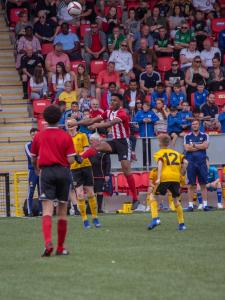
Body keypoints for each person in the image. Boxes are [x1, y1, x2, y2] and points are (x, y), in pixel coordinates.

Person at [68, 93, 139, 209]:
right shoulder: (109, 111)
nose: (112, 102)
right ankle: (81, 157)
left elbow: (110, 123)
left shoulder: (122, 113)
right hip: (115, 141)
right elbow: (91, 119)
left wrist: (97, 124)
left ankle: (135, 199)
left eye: (115, 100)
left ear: (120, 102)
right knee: (97, 146)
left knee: (126, 171)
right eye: (111, 100)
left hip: (124, 143)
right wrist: (76, 123)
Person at [31, 104, 77, 256]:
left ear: (44, 118)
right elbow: (71, 160)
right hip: (63, 172)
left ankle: (48, 242)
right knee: (62, 210)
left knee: (47, 210)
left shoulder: (38, 136)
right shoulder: (66, 136)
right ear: (60, 118)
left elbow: (34, 157)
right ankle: (60, 247)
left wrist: (37, 169)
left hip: (47, 172)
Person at [147, 134, 188, 231]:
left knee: (153, 197)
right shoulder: (176, 153)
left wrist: (159, 177)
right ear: (169, 143)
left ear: (159, 143)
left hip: (165, 177)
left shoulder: (159, 153)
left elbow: (160, 162)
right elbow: (186, 162)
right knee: (176, 201)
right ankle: (182, 224)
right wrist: (181, 173)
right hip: (176, 178)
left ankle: (155, 219)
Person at [68, 125, 101, 229]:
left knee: (91, 193)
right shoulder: (66, 139)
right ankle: (85, 220)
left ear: (76, 126)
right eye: (68, 125)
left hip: (86, 166)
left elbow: (87, 149)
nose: (70, 126)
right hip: (74, 169)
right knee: (80, 194)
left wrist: (79, 156)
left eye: (71, 124)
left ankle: (95, 217)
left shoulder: (82, 135)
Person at [184, 119, 209, 211]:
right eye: (193, 124)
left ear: (199, 125)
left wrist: (194, 146)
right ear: (191, 126)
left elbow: (205, 146)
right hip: (191, 163)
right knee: (190, 185)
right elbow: (187, 148)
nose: (194, 125)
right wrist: (199, 146)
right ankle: (190, 206)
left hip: (202, 163)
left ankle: (205, 205)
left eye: (196, 124)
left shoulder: (204, 135)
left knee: (203, 184)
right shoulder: (187, 136)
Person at [89, 133, 111, 213]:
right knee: (91, 192)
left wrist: (107, 174)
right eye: (90, 140)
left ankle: (99, 209)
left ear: (97, 141)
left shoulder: (104, 150)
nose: (91, 142)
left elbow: (108, 163)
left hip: (100, 174)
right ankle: (90, 208)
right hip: (90, 174)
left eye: (92, 140)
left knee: (100, 191)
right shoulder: (89, 150)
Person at [25, 128, 40, 216]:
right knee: (31, 191)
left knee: (41, 192)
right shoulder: (27, 145)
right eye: (33, 134)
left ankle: (42, 211)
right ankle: (30, 211)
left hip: (41, 170)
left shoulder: (42, 144)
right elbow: (31, 157)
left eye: (36, 134)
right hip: (32, 171)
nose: (35, 136)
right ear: (31, 135)